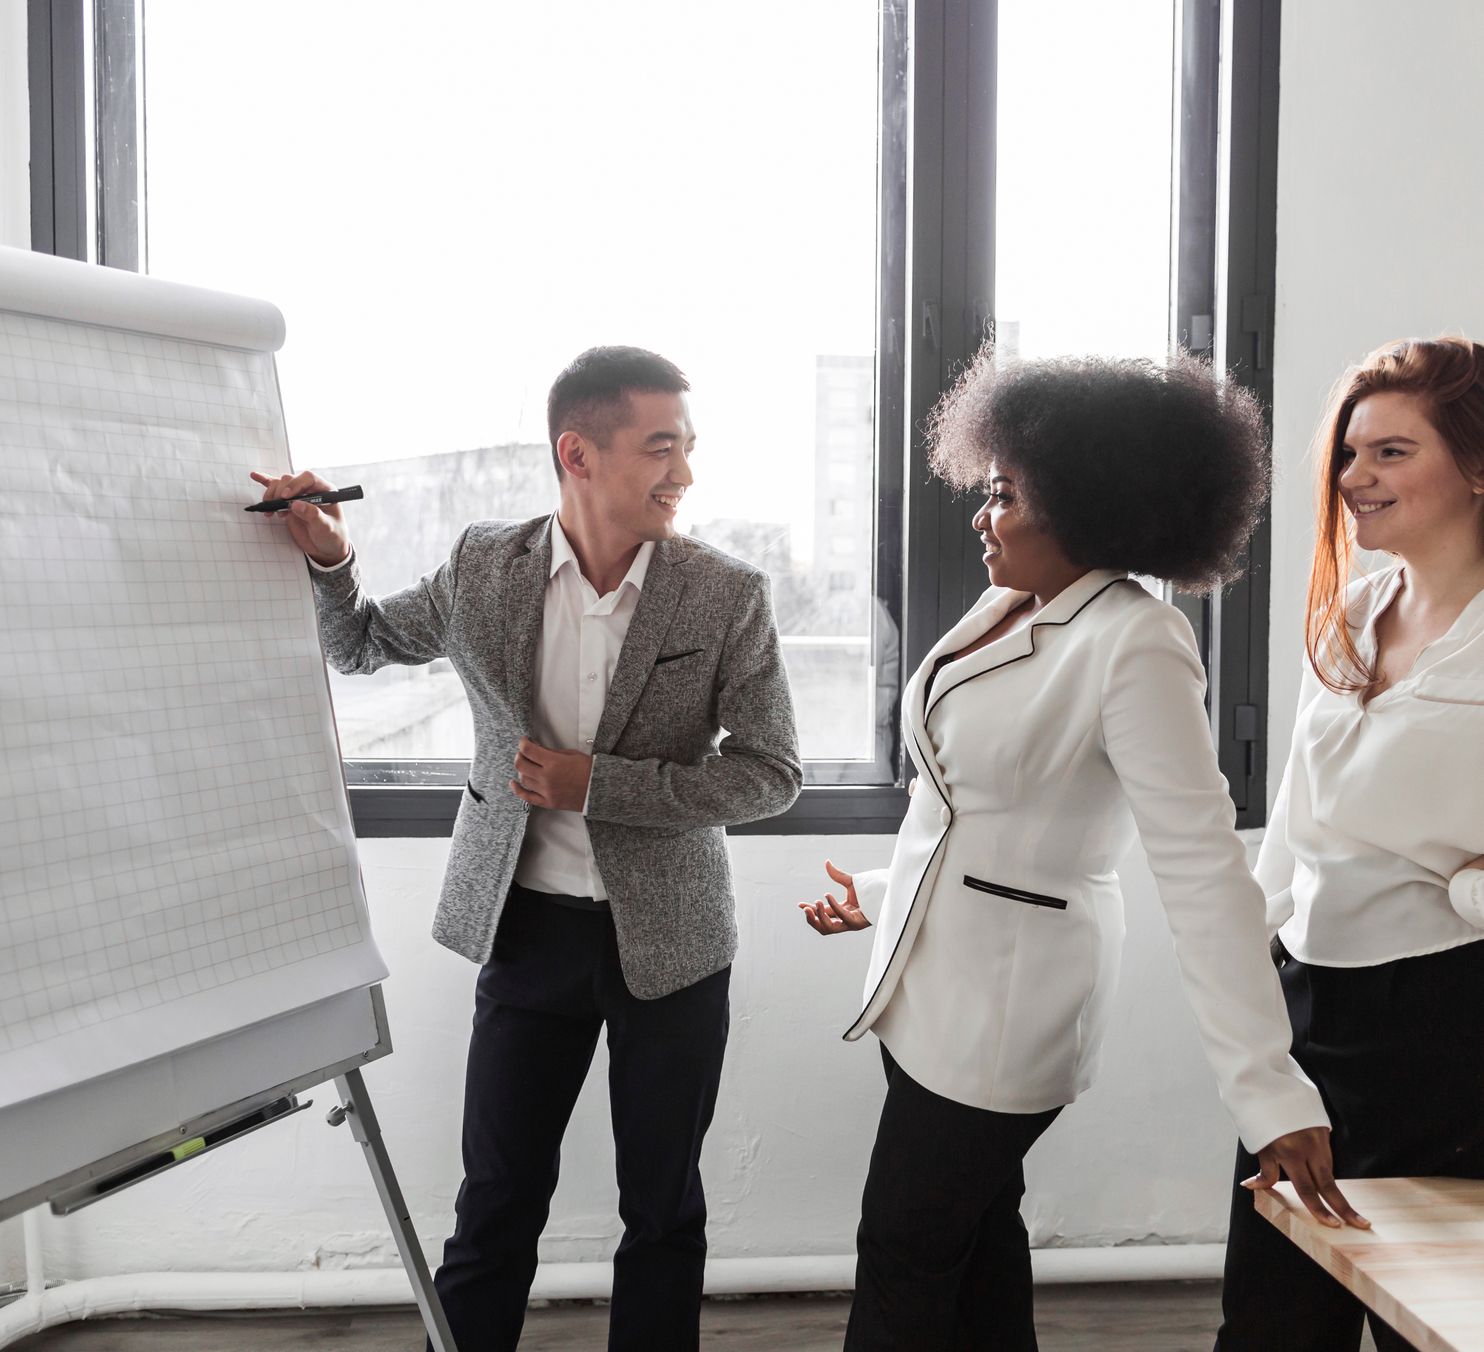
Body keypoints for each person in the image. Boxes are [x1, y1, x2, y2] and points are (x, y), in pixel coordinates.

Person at [799, 350, 1364, 1352]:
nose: (981, 514)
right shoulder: (1008, 601)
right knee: (973, 1244)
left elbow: (1198, 871)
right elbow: (986, 812)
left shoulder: (1132, 641)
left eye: (1004, 493)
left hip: (1005, 1010)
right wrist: (885, 893)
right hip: (928, 981)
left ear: (1084, 502)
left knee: (903, 1248)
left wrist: (1267, 1086)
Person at [252, 345, 802, 1352]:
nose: (683, 472)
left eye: (686, 448)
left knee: (662, 1209)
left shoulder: (724, 594)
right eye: (661, 447)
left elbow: (770, 773)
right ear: (577, 453)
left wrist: (602, 784)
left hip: (671, 947)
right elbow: (362, 644)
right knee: (495, 1201)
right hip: (526, 929)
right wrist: (330, 557)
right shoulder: (481, 569)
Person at [1215, 337, 1484, 1352]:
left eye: (1388, 453)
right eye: (1347, 452)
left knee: (1433, 1322)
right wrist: (1251, 1000)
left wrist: (1466, 892)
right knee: (1271, 1322)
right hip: (1309, 1014)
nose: (1351, 479)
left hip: (1450, 1021)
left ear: (1474, 464)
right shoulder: (1349, 614)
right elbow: (1291, 825)